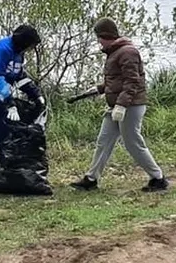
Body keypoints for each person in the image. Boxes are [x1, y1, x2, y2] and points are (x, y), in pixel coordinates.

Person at [70, 18, 168, 193]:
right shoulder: (114, 52)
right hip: (116, 106)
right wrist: (99, 89)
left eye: (99, 37)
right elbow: (117, 80)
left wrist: (121, 106)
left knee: (133, 143)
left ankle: (158, 178)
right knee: (104, 141)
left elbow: (132, 82)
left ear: (105, 35)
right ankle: (91, 179)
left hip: (131, 106)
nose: (98, 41)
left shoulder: (127, 52)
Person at [0, 24, 45, 183]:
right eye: (30, 46)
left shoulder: (18, 54)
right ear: (23, 42)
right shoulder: (1, 50)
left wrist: (36, 95)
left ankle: (3, 173)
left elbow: (18, 75)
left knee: (3, 133)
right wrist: (10, 103)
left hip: (1, 98)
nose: (29, 49)